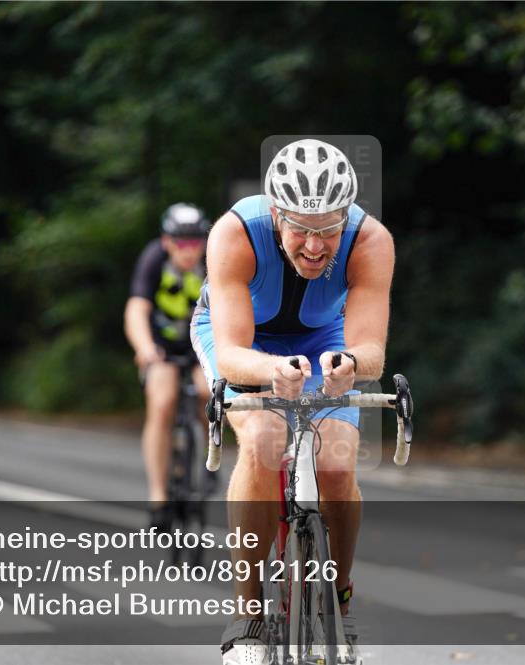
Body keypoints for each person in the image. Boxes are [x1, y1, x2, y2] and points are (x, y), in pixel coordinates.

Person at [191, 139, 395, 664]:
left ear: (346, 218)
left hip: (324, 338)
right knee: (261, 440)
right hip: (241, 337)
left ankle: (338, 602)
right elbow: (234, 352)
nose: (313, 245)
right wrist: (270, 370)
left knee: (337, 462)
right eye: (301, 228)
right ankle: (250, 615)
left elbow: (370, 349)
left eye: (328, 228)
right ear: (276, 212)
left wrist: (349, 364)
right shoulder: (234, 233)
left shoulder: (370, 239)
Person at [124, 203, 211, 528]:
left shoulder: (214, 260)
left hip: (201, 344)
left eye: (195, 241)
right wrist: (144, 347)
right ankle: (159, 492)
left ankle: (205, 460)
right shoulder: (153, 260)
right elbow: (136, 309)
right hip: (161, 346)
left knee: (207, 393)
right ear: (166, 241)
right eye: (181, 242)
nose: (188, 250)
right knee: (162, 402)